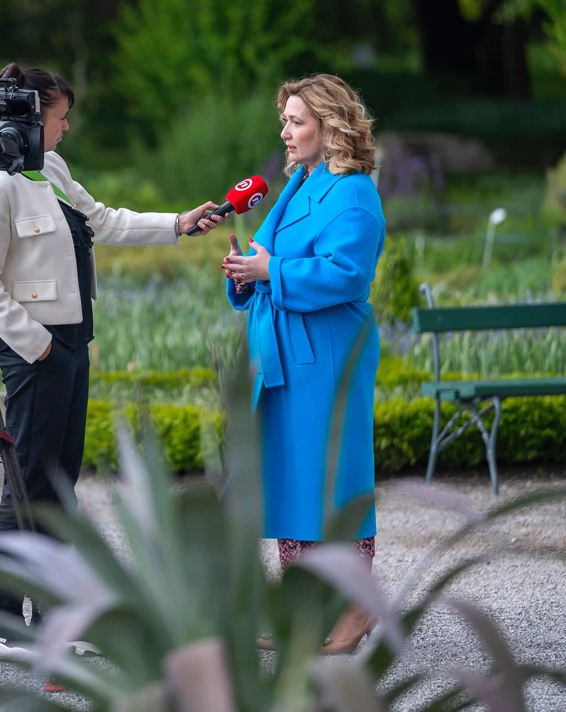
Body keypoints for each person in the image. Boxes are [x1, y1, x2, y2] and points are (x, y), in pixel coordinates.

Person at [0, 62, 227, 662]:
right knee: (28, 481)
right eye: (60, 119)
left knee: (59, 480)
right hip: (39, 350)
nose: (66, 130)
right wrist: (41, 347)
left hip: (71, 343)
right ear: (31, 116)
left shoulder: (48, 168)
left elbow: (101, 219)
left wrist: (178, 224)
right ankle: (6, 625)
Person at [222, 73, 385, 654]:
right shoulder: (297, 184)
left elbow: (349, 275)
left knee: (333, 477)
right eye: (285, 121)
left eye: (296, 121)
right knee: (289, 478)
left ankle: (355, 611)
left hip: (328, 355)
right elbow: (267, 255)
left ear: (329, 125)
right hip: (282, 352)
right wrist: (245, 272)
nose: (285, 132)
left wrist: (271, 273)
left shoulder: (354, 191)